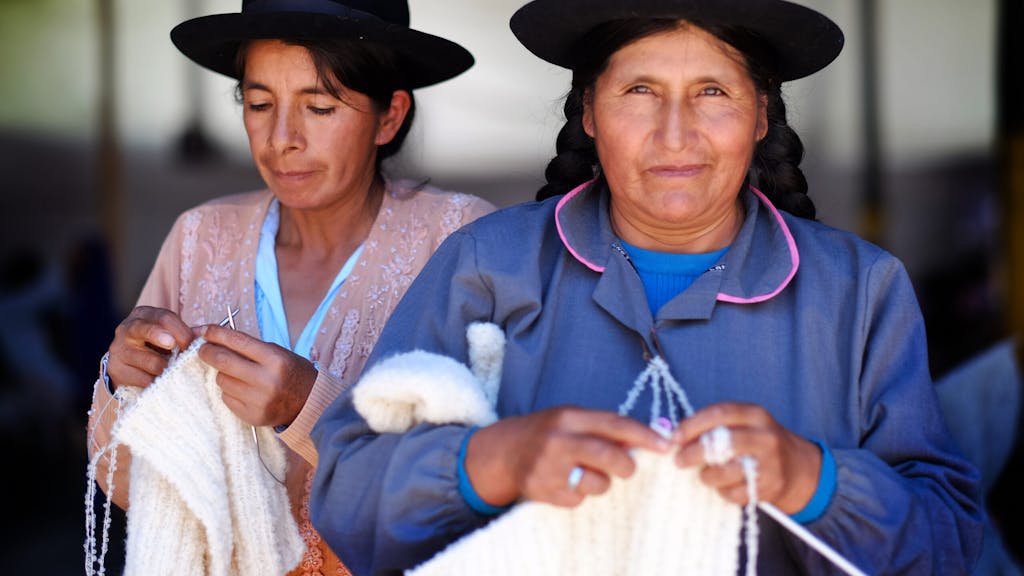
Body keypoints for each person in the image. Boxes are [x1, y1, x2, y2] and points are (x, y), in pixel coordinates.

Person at [308, 0, 985, 574]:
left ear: (760, 115)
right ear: (590, 112)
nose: (675, 133)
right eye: (640, 91)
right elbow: (346, 497)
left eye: (712, 92)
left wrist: (811, 478)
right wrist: (494, 461)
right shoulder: (489, 263)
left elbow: (949, 540)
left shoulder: (859, 289)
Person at [85, 1, 495, 574]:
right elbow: (132, 484)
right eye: (258, 104)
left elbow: (483, 473)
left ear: (389, 117)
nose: (282, 138)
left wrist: (310, 407)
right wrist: (121, 382)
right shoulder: (200, 237)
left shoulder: (462, 241)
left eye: (320, 106)